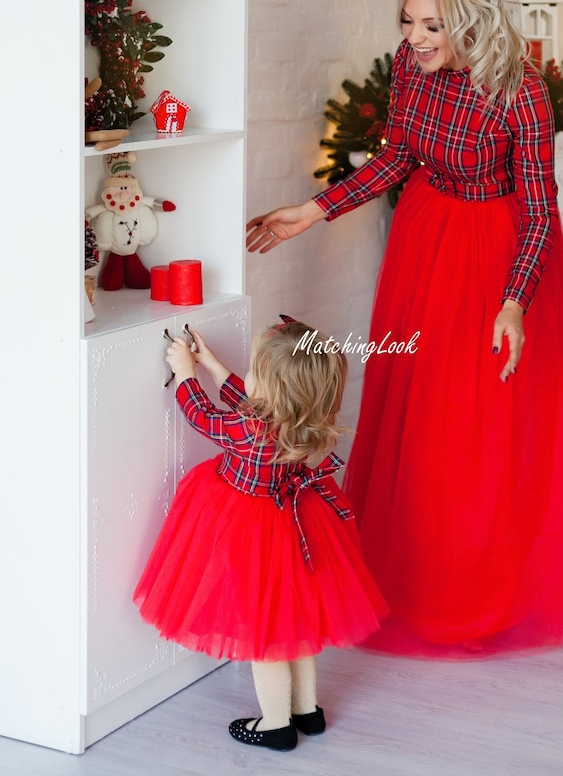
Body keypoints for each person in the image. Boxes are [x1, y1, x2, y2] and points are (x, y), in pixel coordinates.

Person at [246, 0, 563, 658]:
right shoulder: (412, 67)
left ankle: (480, 588)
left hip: (496, 261)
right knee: (423, 412)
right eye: (408, 20)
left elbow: (540, 212)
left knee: (481, 432)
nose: (413, 37)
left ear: (472, 21)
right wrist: (314, 209)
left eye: (431, 24)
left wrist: (513, 305)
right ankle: (411, 576)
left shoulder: (522, 93)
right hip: (425, 241)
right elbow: (399, 156)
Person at [133, 319, 387, 750]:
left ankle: (275, 725)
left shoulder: (249, 431)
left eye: (252, 369)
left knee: (266, 639)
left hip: (252, 532)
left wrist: (185, 375)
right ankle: (308, 711)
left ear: (271, 390)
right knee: (297, 628)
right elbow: (253, 403)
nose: (246, 375)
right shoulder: (304, 421)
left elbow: (205, 417)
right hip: (294, 523)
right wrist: (215, 367)